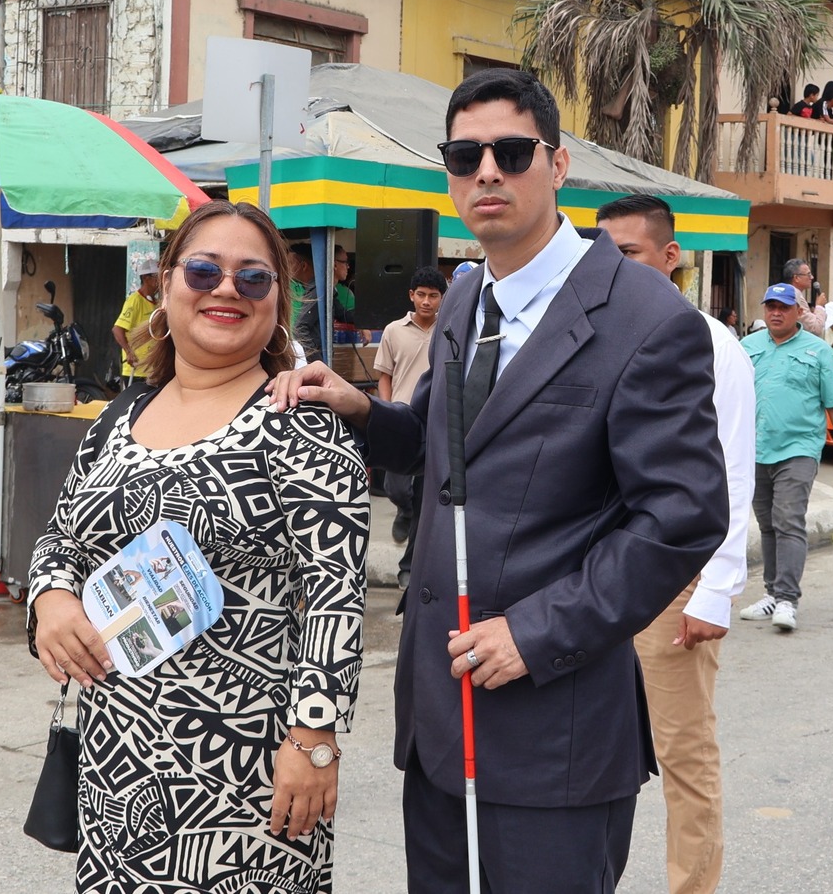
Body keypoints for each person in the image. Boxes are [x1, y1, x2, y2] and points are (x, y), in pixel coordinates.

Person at [269, 68, 729, 894]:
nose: (487, 172)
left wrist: (537, 633)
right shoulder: (466, 296)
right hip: (441, 719)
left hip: (555, 726)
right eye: (464, 156)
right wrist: (363, 409)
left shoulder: (647, 318)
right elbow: (444, 445)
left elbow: (682, 517)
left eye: (511, 152)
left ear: (557, 165)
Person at [28, 200, 368, 893]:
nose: (226, 290)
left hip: (246, 774)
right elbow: (61, 537)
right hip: (116, 765)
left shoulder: (300, 427)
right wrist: (52, 598)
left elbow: (335, 593)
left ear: (278, 300)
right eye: (205, 271)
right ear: (167, 284)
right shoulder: (119, 417)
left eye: (253, 277)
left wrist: (315, 739)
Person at [597, 193, 754, 894]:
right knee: (593, 746)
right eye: (603, 254)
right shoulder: (592, 333)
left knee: (682, 750)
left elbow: (731, 469)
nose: (613, 267)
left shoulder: (712, 344)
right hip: (597, 572)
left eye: (628, 253)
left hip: (675, 578)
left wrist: (716, 588)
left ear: (670, 258)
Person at [739, 282, 833, 633]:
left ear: (799, 312)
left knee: (788, 520)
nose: (776, 313)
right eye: (771, 307)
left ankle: (787, 600)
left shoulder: (818, 351)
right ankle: (771, 593)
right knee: (767, 524)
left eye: (784, 307)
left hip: (799, 448)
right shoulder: (747, 347)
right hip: (755, 448)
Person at [374, 267, 447, 586]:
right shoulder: (393, 330)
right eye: (421, 295)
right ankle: (402, 510)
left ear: (442, 299)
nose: (426, 301)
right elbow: (385, 376)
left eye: (433, 296)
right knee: (396, 487)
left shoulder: (450, 329)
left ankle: (408, 567)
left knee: (425, 501)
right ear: (411, 296)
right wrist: (387, 409)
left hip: (437, 422)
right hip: (401, 419)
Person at [114, 256, 162, 398]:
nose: (160, 281)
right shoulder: (135, 301)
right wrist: (129, 352)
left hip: (152, 369)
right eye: (157, 277)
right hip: (137, 369)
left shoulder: (156, 303)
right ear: (146, 278)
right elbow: (117, 329)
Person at [781, 258, 827, 339]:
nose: (812, 277)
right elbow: (815, 328)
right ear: (796, 278)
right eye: (808, 274)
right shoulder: (795, 296)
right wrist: (819, 306)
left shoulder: (787, 292)